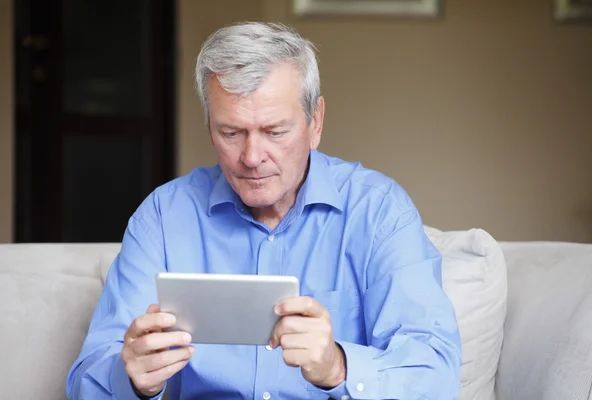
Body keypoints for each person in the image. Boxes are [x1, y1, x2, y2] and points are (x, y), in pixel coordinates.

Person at [66, 21, 461, 400]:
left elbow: (437, 377)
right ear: (209, 127)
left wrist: (337, 367)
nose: (252, 157)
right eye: (231, 133)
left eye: (275, 131)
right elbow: (88, 381)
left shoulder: (379, 212)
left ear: (315, 121)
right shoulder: (164, 217)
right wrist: (132, 379)